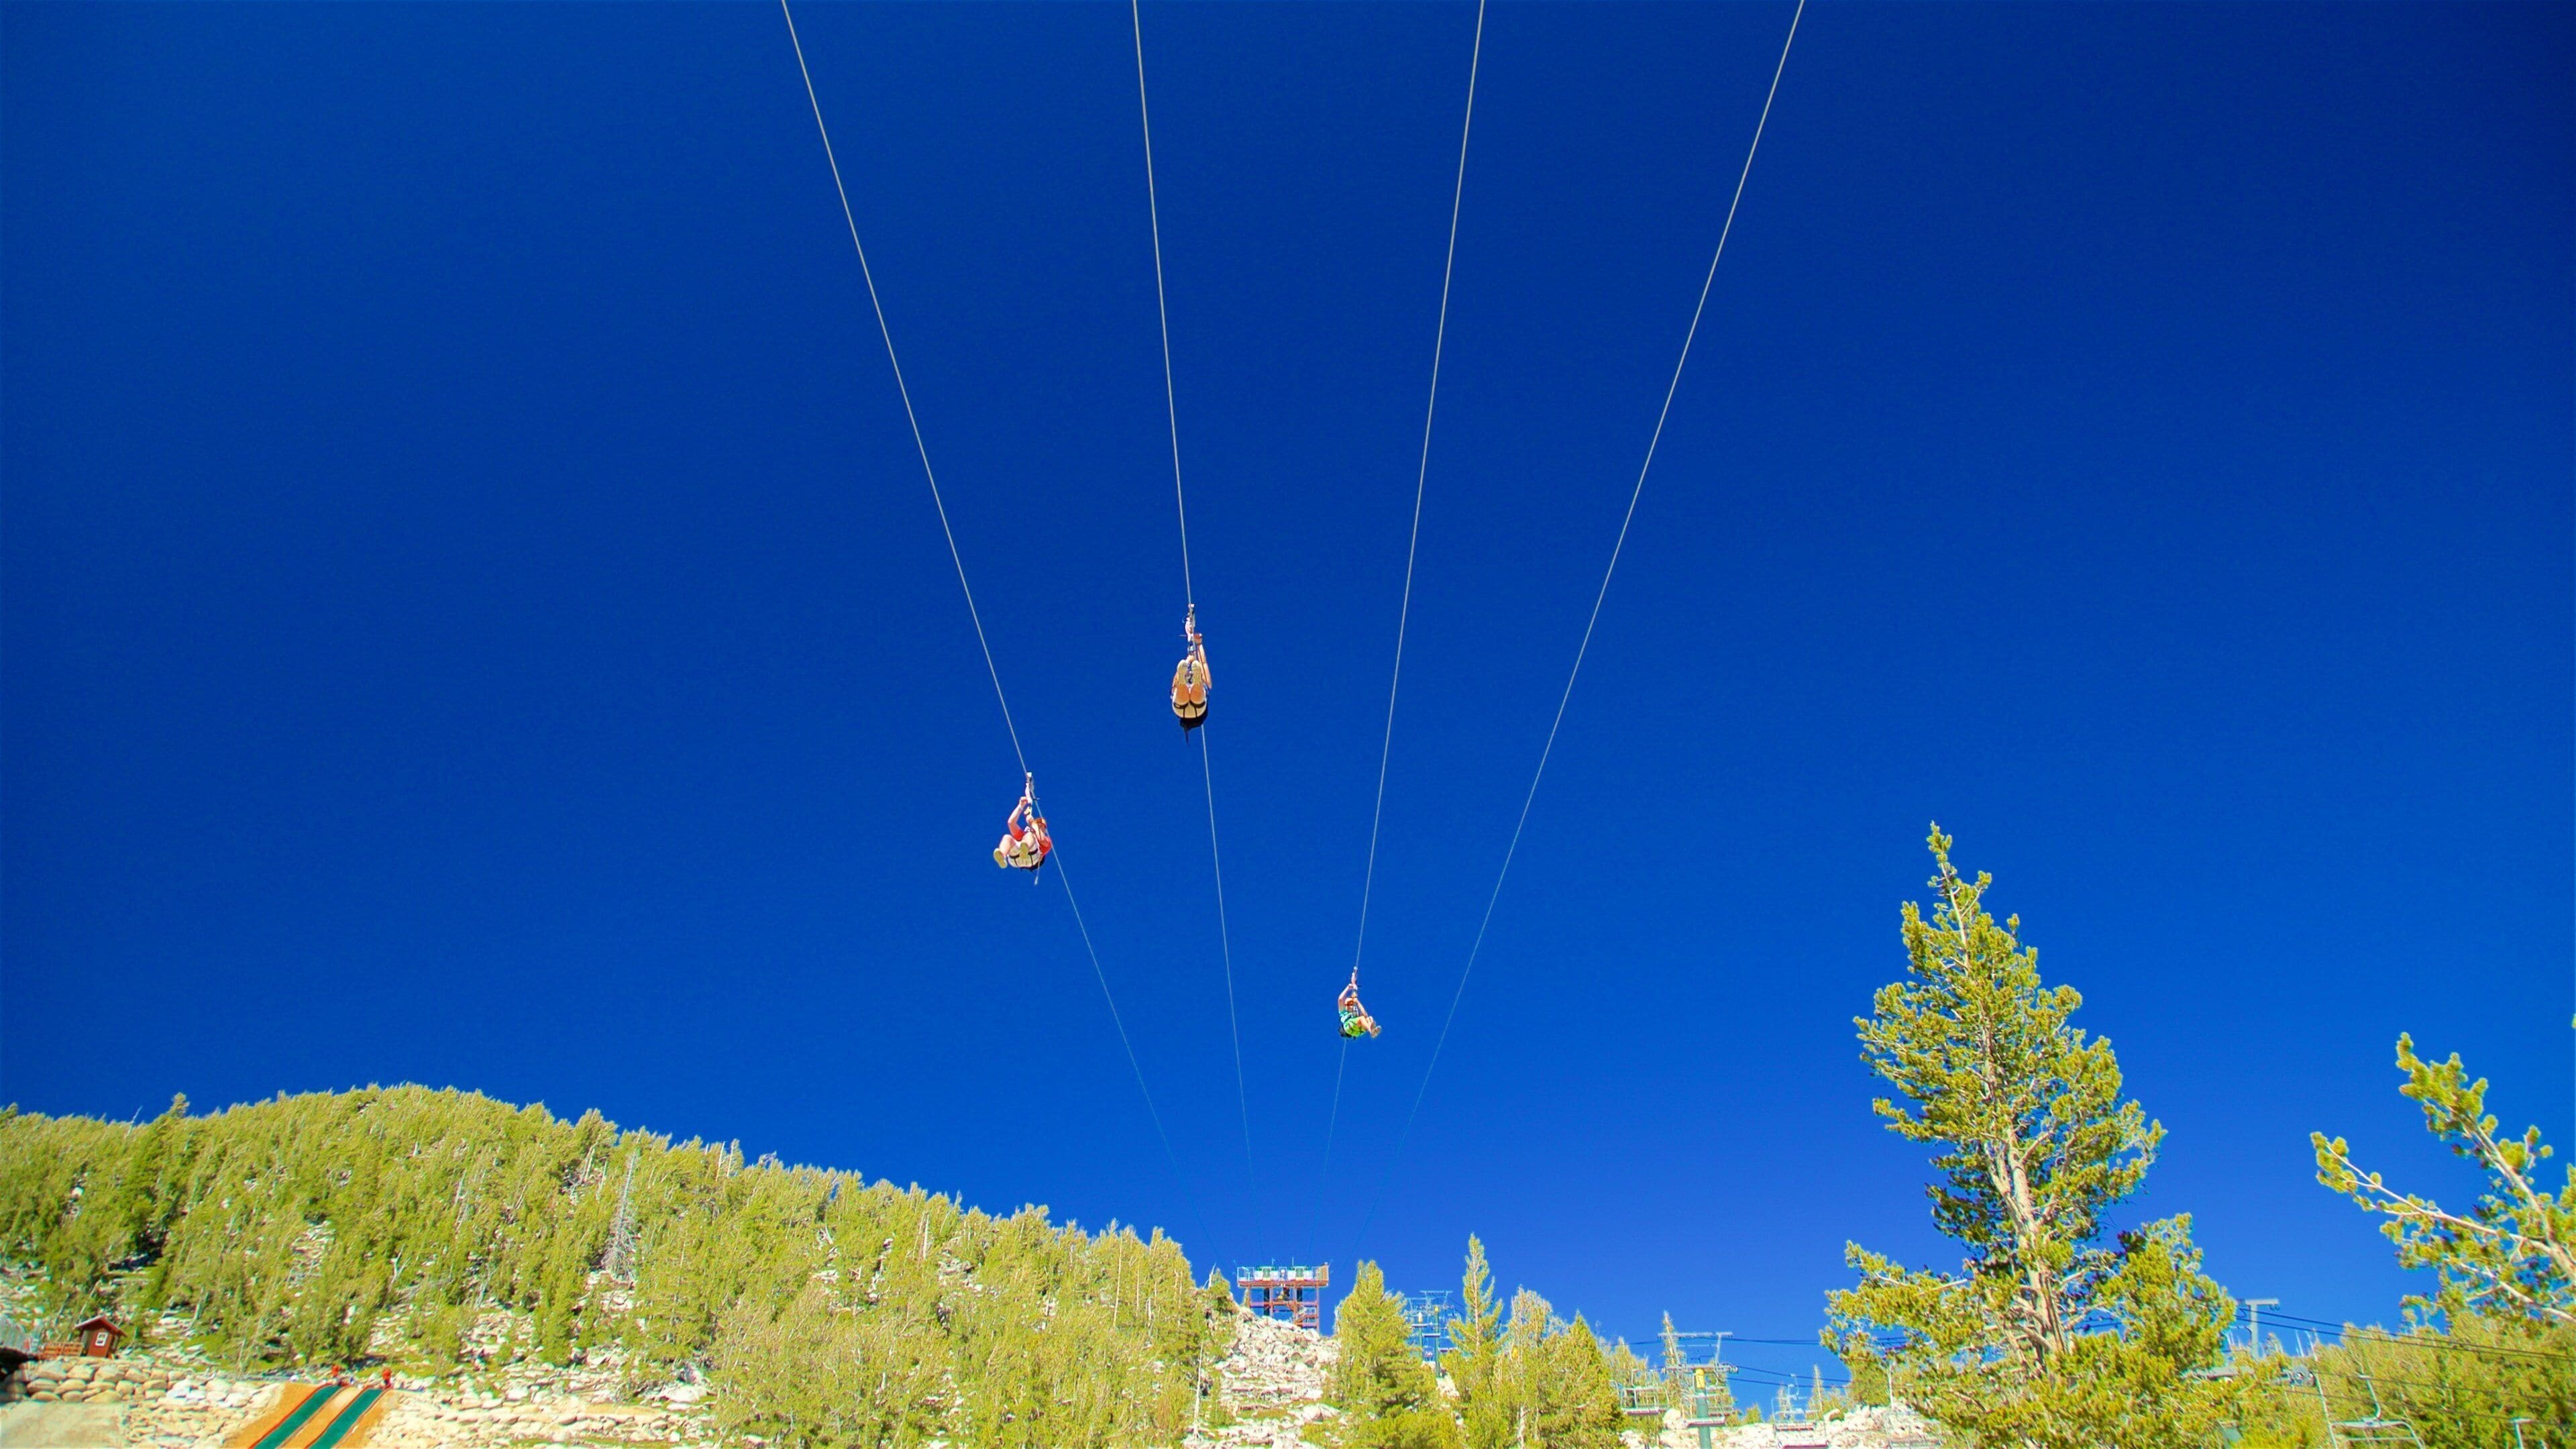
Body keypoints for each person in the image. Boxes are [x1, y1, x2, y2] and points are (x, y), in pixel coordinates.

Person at [993, 775, 1052, 873]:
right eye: (1038, 825)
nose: (1038, 827)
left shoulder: (1047, 842)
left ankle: (1026, 849)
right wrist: (1021, 806)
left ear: (1044, 830)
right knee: (1007, 837)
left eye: (1041, 826)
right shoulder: (1023, 836)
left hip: (1032, 858)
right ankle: (1002, 856)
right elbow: (1011, 823)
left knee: (1029, 836)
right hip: (1015, 859)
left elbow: (1041, 838)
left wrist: (1033, 823)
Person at [1171, 609, 1210, 731]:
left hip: (1196, 707)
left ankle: (1193, 682)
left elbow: (1203, 664)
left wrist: (1198, 645)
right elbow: (1203, 663)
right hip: (1187, 708)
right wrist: (1198, 645)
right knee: (1181, 686)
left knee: (1181, 686)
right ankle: (1194, 682)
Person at [1337, 972, 1380, 1038]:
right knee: (1362, 1019)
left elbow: (1365, 1015)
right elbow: (1340, 999)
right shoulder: (1343, 1012)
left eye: (1351, 1004)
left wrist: (1357, 1002)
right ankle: (1371, 1031)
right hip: (1348, 1027)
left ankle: (1372, 1030)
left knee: (1370, 1018)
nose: (1351, 1005)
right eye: (1349, 1004)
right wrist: (1348, 988)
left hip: (1358, 1032)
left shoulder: (1355, 1013)